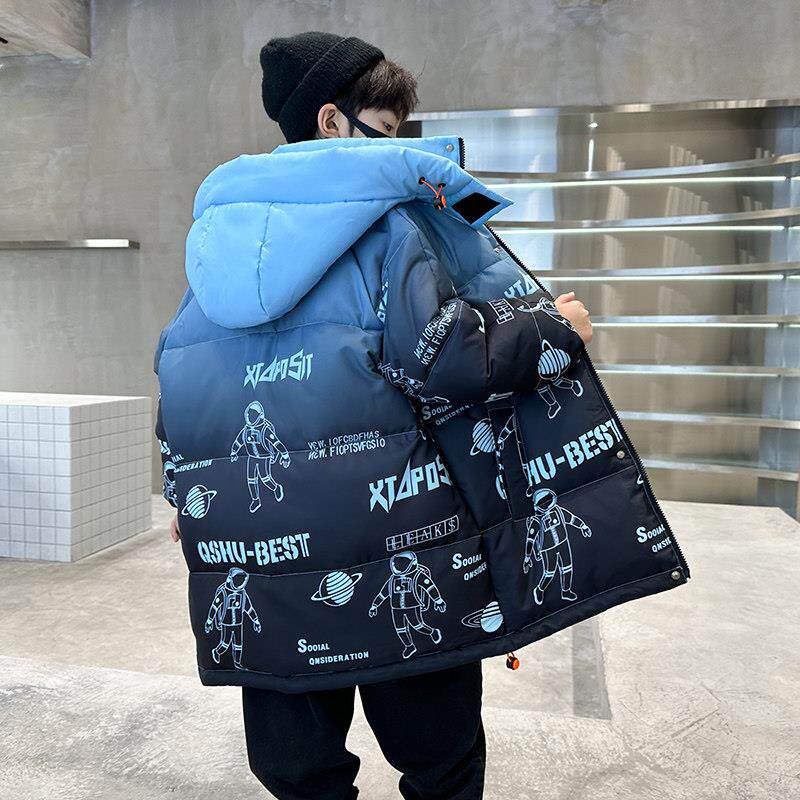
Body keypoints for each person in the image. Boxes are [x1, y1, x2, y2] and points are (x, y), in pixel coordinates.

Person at [158, 31, 594, 800]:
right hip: (398, 533)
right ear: (332, 121)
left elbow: (189, 373)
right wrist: (556, 331)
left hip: (261, 550)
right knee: (438, 756)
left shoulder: (218, 244)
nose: (397, 150)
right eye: (386, 130)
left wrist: (188, 490)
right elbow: (446, 357)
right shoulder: (389, 229)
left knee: (297, 765)